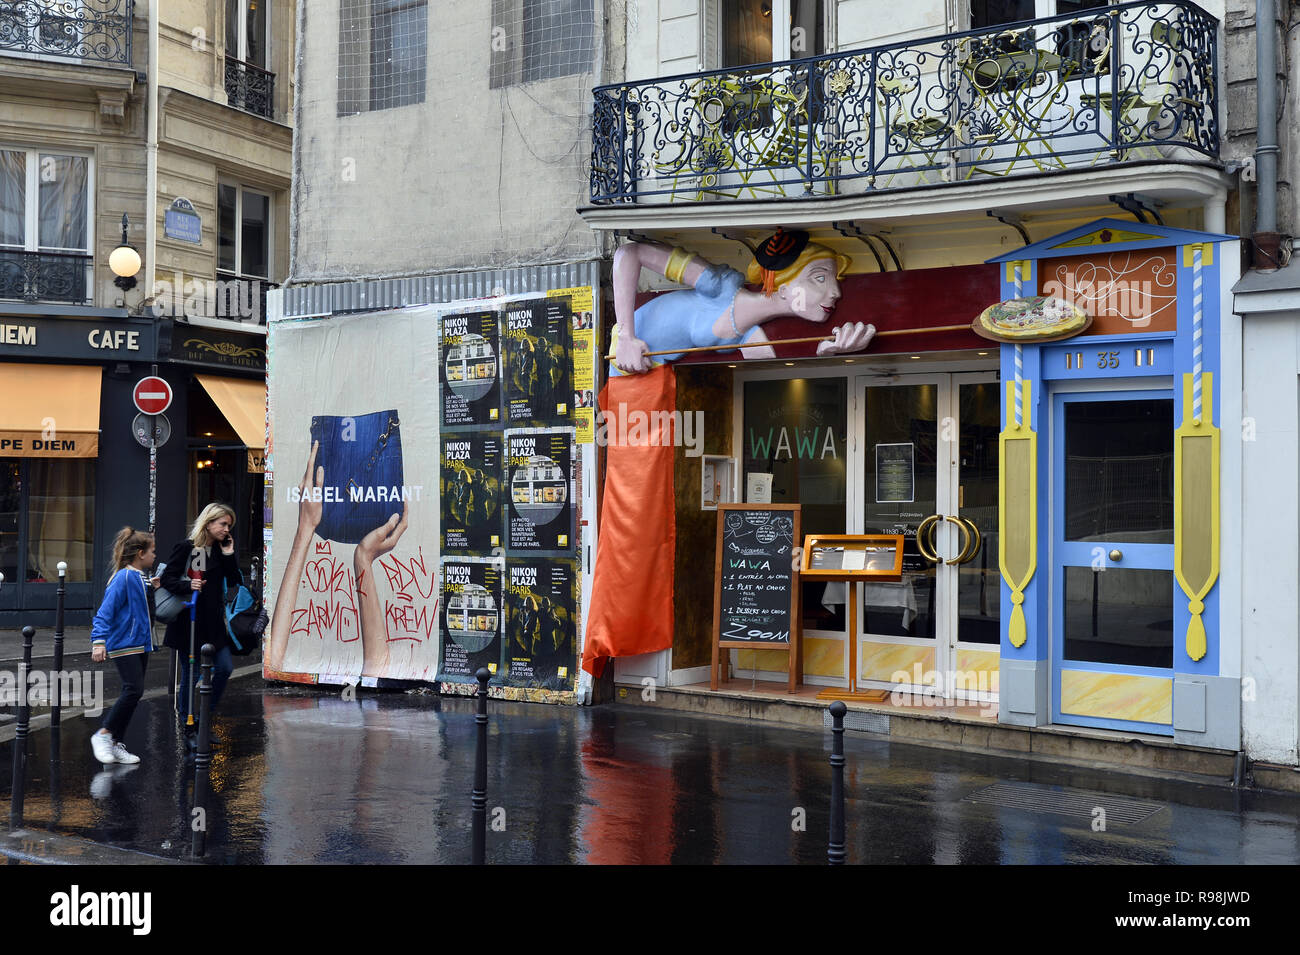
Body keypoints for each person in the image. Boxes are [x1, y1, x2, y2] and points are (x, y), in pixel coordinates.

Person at [610, 228, 875, 375]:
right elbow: (629, 253)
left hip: (652, 376)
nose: (836, 292)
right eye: (820, 278)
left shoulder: (750, 335)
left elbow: (783, 375)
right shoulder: (716, 284)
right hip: (625, 359)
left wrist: (825, 353)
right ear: (782, 286)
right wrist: (625, 337)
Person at [159, 502, 241, 751]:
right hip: (189, 622)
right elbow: (168, 579)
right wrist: (188, 587)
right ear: (208, 522)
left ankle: (205, 717)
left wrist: (228, 554)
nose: (226, 529)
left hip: (213, 624)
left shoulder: (217, 549)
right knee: (192, 674)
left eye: (229, 525)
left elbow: (234, 579)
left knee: (225, 668)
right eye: (222, 524)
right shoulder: (190, 548)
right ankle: (189, 724)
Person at [90, 527, 160, 765]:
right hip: (125, 643)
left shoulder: (139, 577)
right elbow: (104, 612)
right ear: (140, 553)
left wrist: (153, 586)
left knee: (135, 691)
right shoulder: (123, 577)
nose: (154, 556)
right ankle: (104, 734)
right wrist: (98, 642)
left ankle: (115, 742)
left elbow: (144, 608)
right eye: (152, 551)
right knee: (132, 689)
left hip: (140, 643)